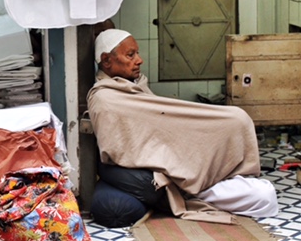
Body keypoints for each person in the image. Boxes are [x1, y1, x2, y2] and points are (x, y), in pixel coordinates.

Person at [87, 29, 278, 227]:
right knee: (265, 197)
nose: (139, 60)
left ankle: (208, 177)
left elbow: (165, 126)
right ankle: (196, 189)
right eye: (130, 55)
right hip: (174, 180)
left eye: (137, 53)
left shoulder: (135, 86)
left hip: (188, 168)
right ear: (107, 61)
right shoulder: (105, 99)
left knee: (262, 189)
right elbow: (126, 149)